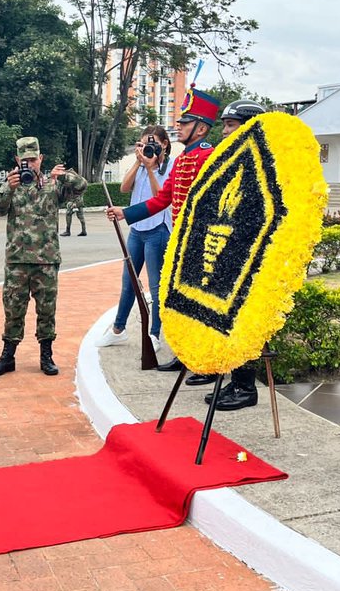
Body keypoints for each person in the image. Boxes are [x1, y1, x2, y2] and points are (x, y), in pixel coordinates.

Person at [106, 85, 220, 371]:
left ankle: (200, 362)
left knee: (193, 301)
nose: (179, 126)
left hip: (197, 240)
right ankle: (185, 357)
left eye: (185, 122)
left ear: (202, 129)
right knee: (183, 300)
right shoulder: (184, 159)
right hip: (183, 240)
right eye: (180, 122)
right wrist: (126, 212)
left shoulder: (208, 157)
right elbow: (163, 199)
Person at [0, 137, 88, 377]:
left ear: (40, 159)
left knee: (47, 309)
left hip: (46, 260)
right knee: (12, 308)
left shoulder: (53, 185)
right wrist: (7, 187)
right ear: (17, 160)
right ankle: (8, 356)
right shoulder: (12, 185)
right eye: (25, 160)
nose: (29, 164)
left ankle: (46, 356)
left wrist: (61, 176)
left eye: (33, 159)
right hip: (17, 260)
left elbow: (82, 186)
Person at [194, 99, 270, 407]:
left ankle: (245, 388)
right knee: (228, 323)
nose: (225, 131)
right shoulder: (233, 160)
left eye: (231, 124)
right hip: (227, 250)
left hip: (252, 256)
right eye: (224, 124)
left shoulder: (266, 163)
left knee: (245, 322)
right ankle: (235, 381)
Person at [94, 125, 173, 351]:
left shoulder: (170, 166)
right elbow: (124, 187)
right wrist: (139, 162)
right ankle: (118, 329)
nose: (147, 148)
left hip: (157, 230)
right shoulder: (140, 164)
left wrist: (151, 168)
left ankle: (154, 334)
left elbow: (162, 198)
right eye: (143, 144)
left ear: (164, 144)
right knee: (128, 283)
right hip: (137, 230)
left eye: (152, 144)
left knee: (156, 287)